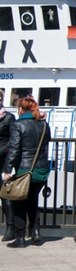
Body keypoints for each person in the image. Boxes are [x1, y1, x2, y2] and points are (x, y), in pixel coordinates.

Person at [1, 95, 51, 248]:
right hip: (41, 169)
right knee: (33, 201)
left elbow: (14, 149)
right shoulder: (44, 125)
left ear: (21, 109)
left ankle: (21, 238)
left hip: (25, 169)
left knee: (18, 203)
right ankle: (36, 233)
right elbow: (46, 144)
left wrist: (8, 169)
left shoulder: (18, 124)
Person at [0, 94, 17, 241]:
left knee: (5, 194)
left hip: (3, 160)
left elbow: (13, 139)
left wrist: (2, 150)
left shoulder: (8, 117)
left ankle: (10, 227)